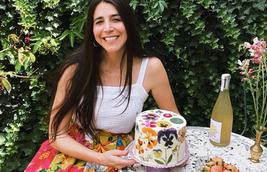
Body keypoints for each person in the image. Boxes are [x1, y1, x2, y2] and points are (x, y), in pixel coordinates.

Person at [25, 0, 179, 171]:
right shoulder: (74, 71)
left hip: (122, 157)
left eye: (116, 19)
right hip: (74, 152)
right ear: (92, 30)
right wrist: (100, 159)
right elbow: (57, 135)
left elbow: (175, 125)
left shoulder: (151, 68)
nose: (107, 28)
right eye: (99, 22)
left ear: (128, 23)